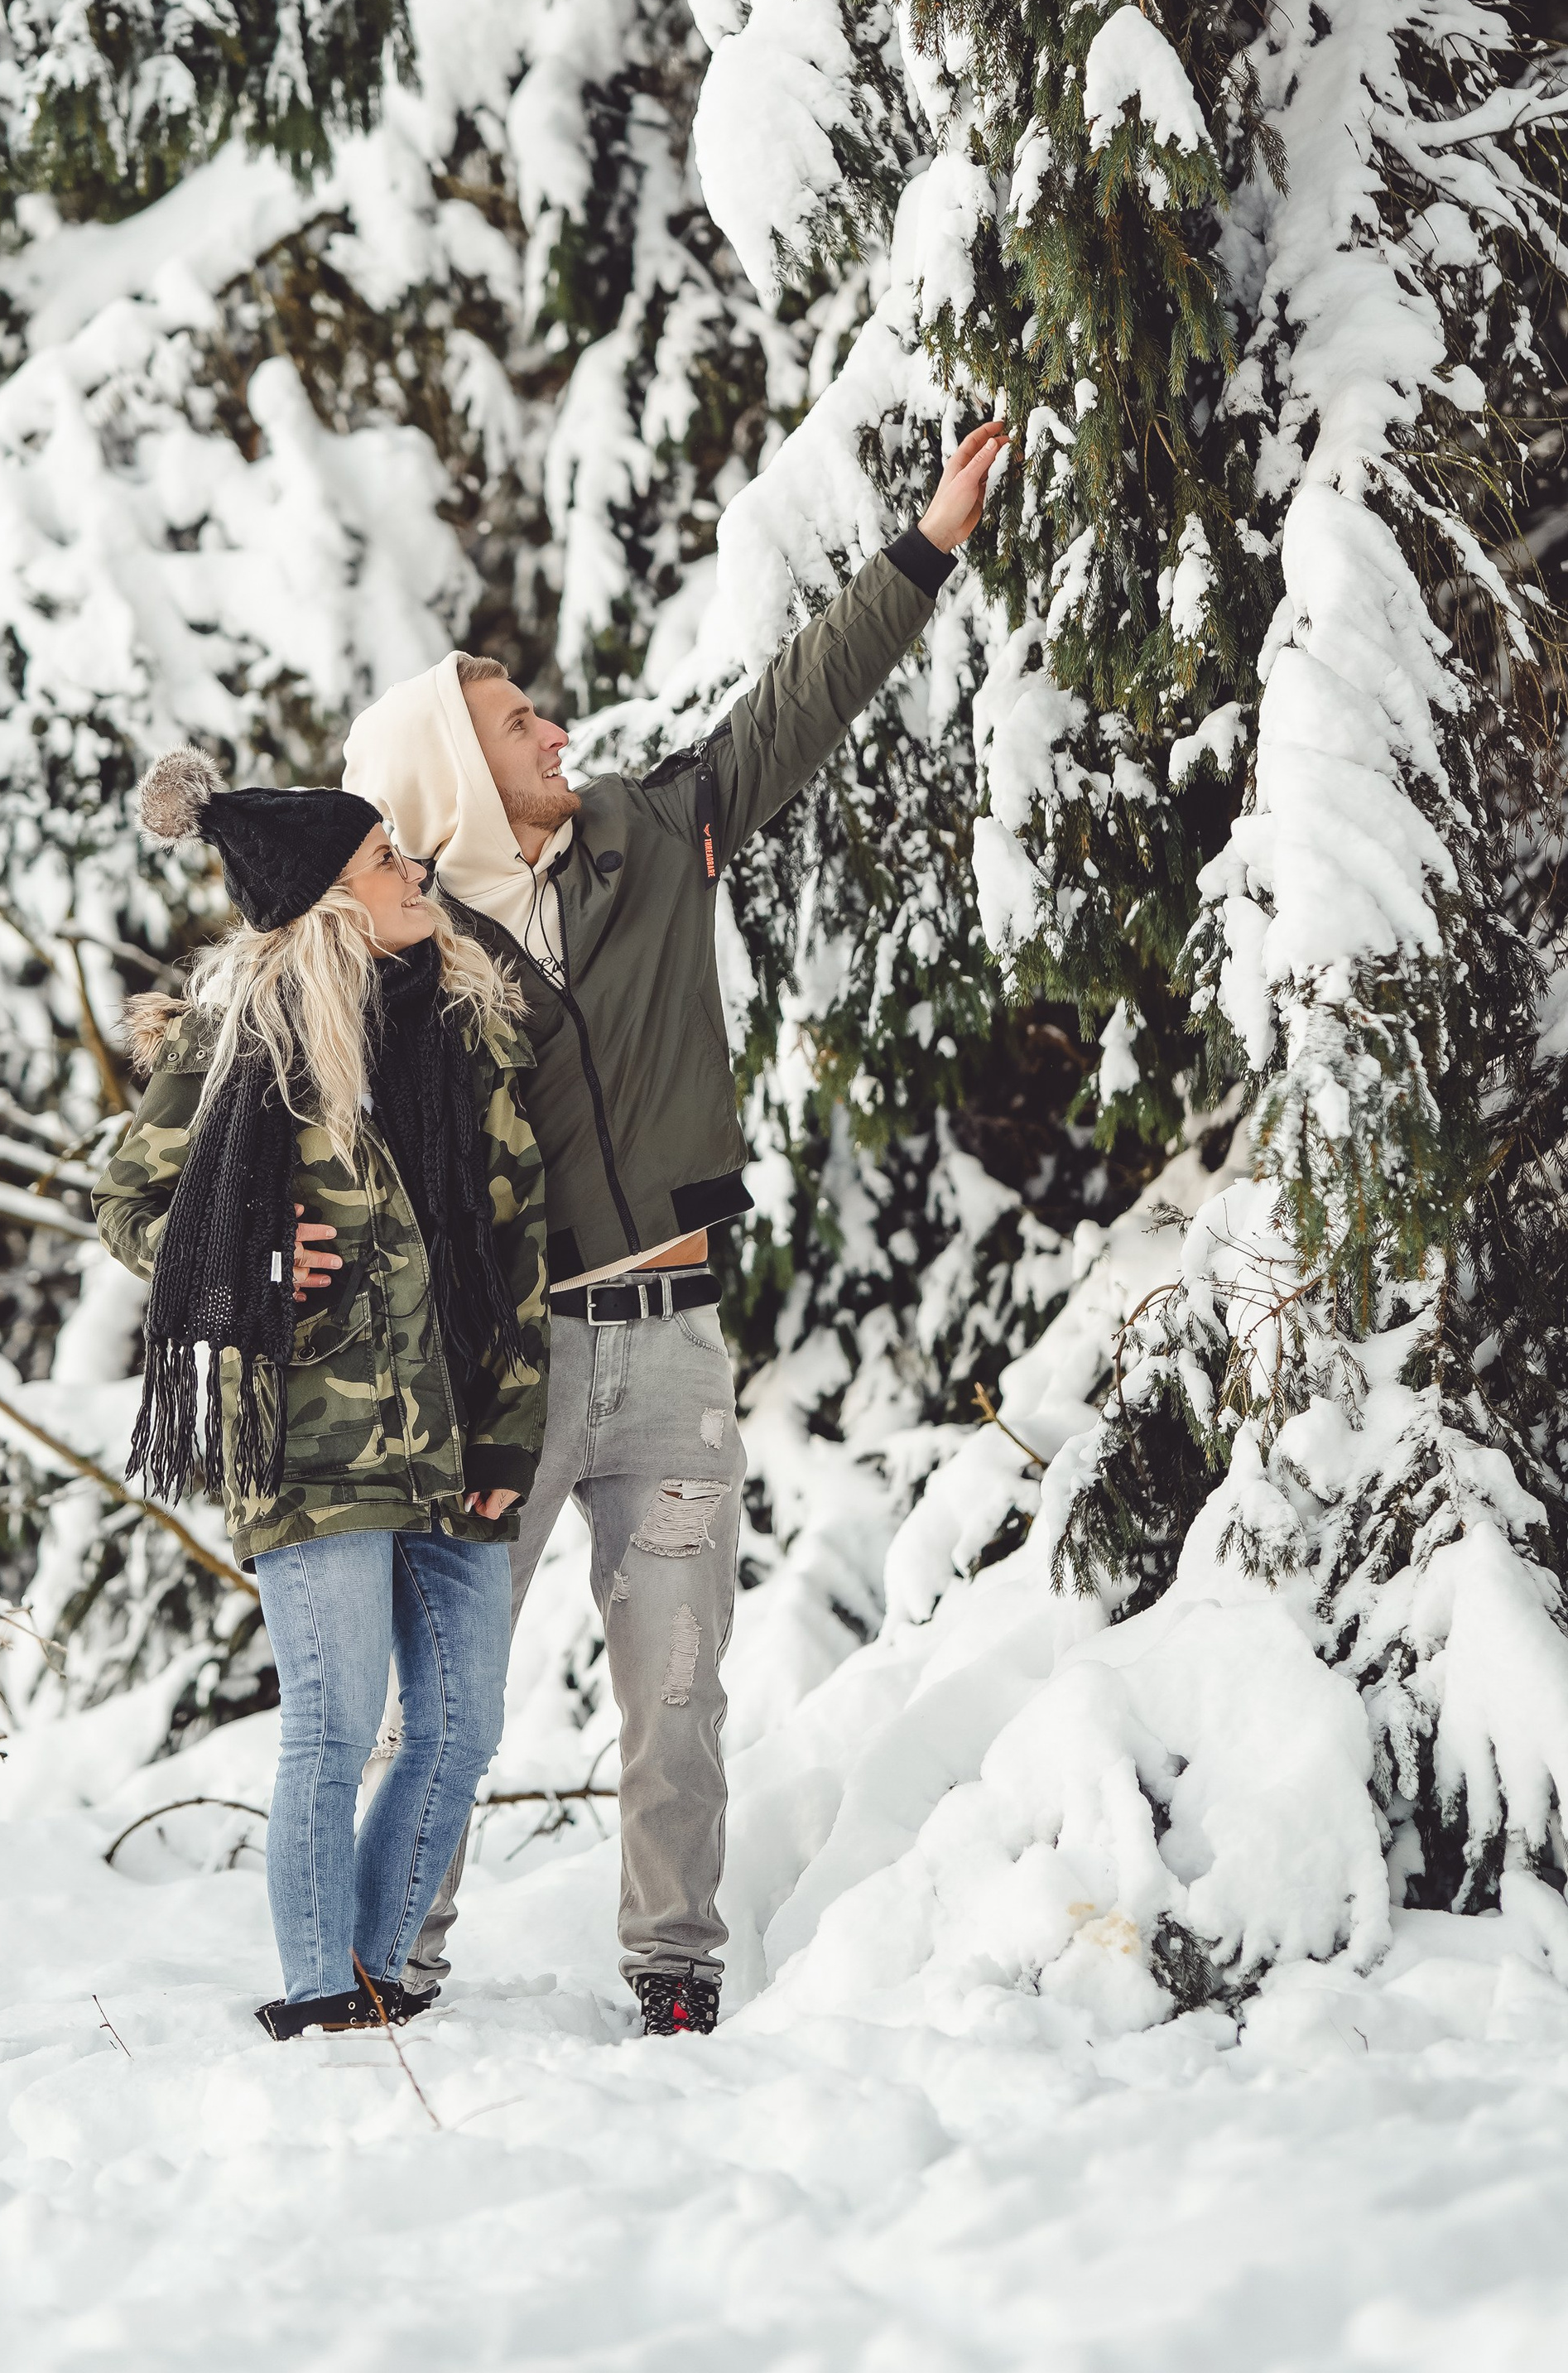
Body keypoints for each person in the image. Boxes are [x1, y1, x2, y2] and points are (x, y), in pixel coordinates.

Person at [342, 421, 1008, 2036]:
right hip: (510, 1374)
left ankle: (674, 1975)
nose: (556, 728)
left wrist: (924, 547)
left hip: (674, 1363)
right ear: (452, 766)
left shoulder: (655, 836)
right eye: (517, 723)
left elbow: (798, 699)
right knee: (447, 1685)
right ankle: (385, 1958)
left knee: (677, 1683)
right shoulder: (409, 953)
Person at [90, 753, 550, 2040]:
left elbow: (518, 1246)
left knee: (461, 1731)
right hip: (310, 1437)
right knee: (335, 1727)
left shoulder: (466, 1030)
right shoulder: (247, 1046)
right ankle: (321, 1994)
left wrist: (509, 1430)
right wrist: (252, 1257)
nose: (414, 874)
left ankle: (374, 1966)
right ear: (332, 904)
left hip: (455, 1434)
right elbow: (131, 1204)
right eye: (385, 862)